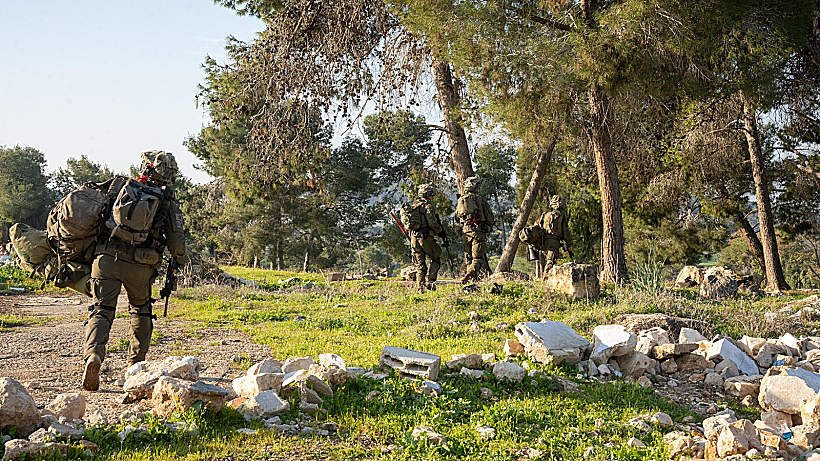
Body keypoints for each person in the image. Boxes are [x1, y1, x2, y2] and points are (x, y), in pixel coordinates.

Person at [82, 151, 188, 391]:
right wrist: (179, 260)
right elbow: (177, 244)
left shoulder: (120, 188)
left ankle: (94, 356)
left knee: (101, 310)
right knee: (141, 311)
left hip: (106, 259)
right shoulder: (168, 203)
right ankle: (135, 367)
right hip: (140, 266)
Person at [404, 184, 443, 292]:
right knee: (436, 258)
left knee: (420, 265)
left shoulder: (413, 207)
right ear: (428, 194)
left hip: (414, 239)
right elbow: (432, 222)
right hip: (425, 238)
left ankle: (420, 288)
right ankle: (431, 281)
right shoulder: (428, 206)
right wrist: (440, 231)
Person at [456, 176, 494, 283]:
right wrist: (488, 227)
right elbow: (490, 218)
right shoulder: (481, 201)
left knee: (469, 258)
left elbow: (456, 217)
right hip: (478, 231)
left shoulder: (461, 201)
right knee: (477, 258)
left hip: (465, 233)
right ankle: (470, 275)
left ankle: (472, 281)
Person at [536, 195, 573, 275]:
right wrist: (569, 245)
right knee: (550, 261)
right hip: (554, 242)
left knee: (550, 261)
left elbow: (537, 226)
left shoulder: (544, 215)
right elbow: (566, 233)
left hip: (543, 242)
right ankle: (545, 281)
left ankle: (550, 279)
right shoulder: (561, 217)